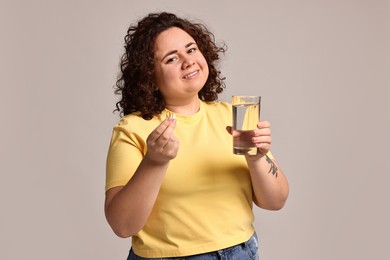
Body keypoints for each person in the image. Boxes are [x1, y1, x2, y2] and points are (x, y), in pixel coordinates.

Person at [105, 12, 289, 260]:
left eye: (191, 50)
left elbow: (275, 201)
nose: (187, 61)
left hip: (242, 252)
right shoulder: (133, 129)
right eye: (171, 58)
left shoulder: (232, 116)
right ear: (150, 76)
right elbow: (122, 225)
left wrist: (258, 158)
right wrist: (154, 162)